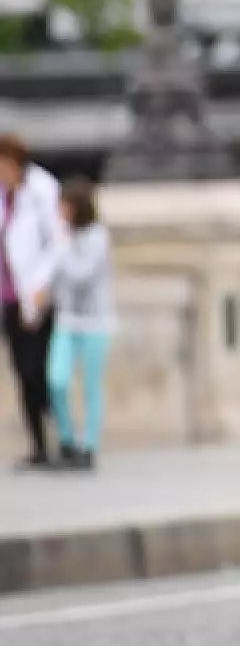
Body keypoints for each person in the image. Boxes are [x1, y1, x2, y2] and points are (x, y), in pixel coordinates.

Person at [0, 134, 63, 471]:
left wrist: (41, 288)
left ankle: (57, 436)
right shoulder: (3, 195)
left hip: (37, 296)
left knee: (39, 370)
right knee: (22, 372)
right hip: (9, 295)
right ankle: (38, 445)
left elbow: (56, 242)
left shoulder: (41, 190)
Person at [46, 177, 114, 472]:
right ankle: (66, 439)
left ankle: (88, 447)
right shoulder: (63, 235)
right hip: (67, 320)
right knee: (57, 380)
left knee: (90, 386)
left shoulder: (98, 238)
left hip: (95, 323)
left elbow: (80, 274)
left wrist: (59, 251)